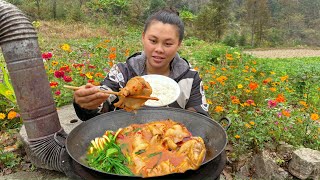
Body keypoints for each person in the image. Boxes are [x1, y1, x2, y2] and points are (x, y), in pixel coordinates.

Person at [73, 8, 209, 121]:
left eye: (168, 44)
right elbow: (104, 101)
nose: (159, 49)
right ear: (143, 37)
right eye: (153, 41)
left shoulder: (191, 78)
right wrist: (89, 103)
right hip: (125, 141)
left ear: (178, 44)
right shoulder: (122, 72)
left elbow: (200, 118)